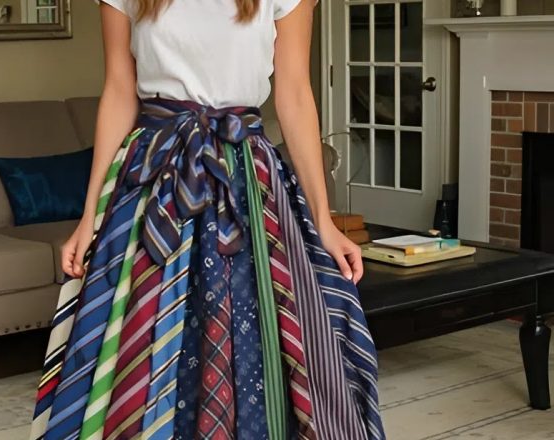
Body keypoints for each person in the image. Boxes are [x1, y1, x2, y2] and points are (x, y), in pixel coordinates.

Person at [31, 0, 385, 439]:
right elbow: (119, 92)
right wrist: (90, 216)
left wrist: (322, 219)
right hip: (154, 179)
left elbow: (294, 93)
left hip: (247, 180)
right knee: (138, 335)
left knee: (265, 340)